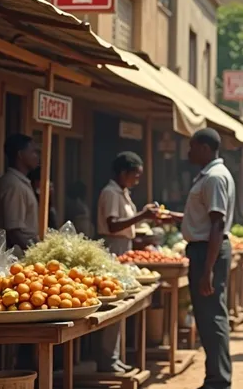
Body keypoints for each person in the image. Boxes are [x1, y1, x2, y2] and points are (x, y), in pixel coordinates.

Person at [181, 128, 235, 389]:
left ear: (204, 148)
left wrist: (208, 270)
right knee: (208, 316)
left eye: (192, 146)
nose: (188, 152)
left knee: (212, 316)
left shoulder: (214, 177)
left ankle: (218, 380)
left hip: (208, 251)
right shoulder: (210, 175)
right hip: (205, 250)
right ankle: (215, 376)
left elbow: (216, 224)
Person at [96, 151, 158, 373]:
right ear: (123, 173)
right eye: (135, 175)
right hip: (114, 249)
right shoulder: (111, 193)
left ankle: (114, 356)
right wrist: (142, 215)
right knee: (115, 304)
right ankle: (107, 359)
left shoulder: (122, 192)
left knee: (121, 307)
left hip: (125, 248)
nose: (137, 180)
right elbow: (113, 225)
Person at [0, 134, 39, 254]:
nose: (37, 157)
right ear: (20, 155)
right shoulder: (14, 185)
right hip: (15, 260)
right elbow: (14, 231)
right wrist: (37, 253)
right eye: (33, 152)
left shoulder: (19, 182)